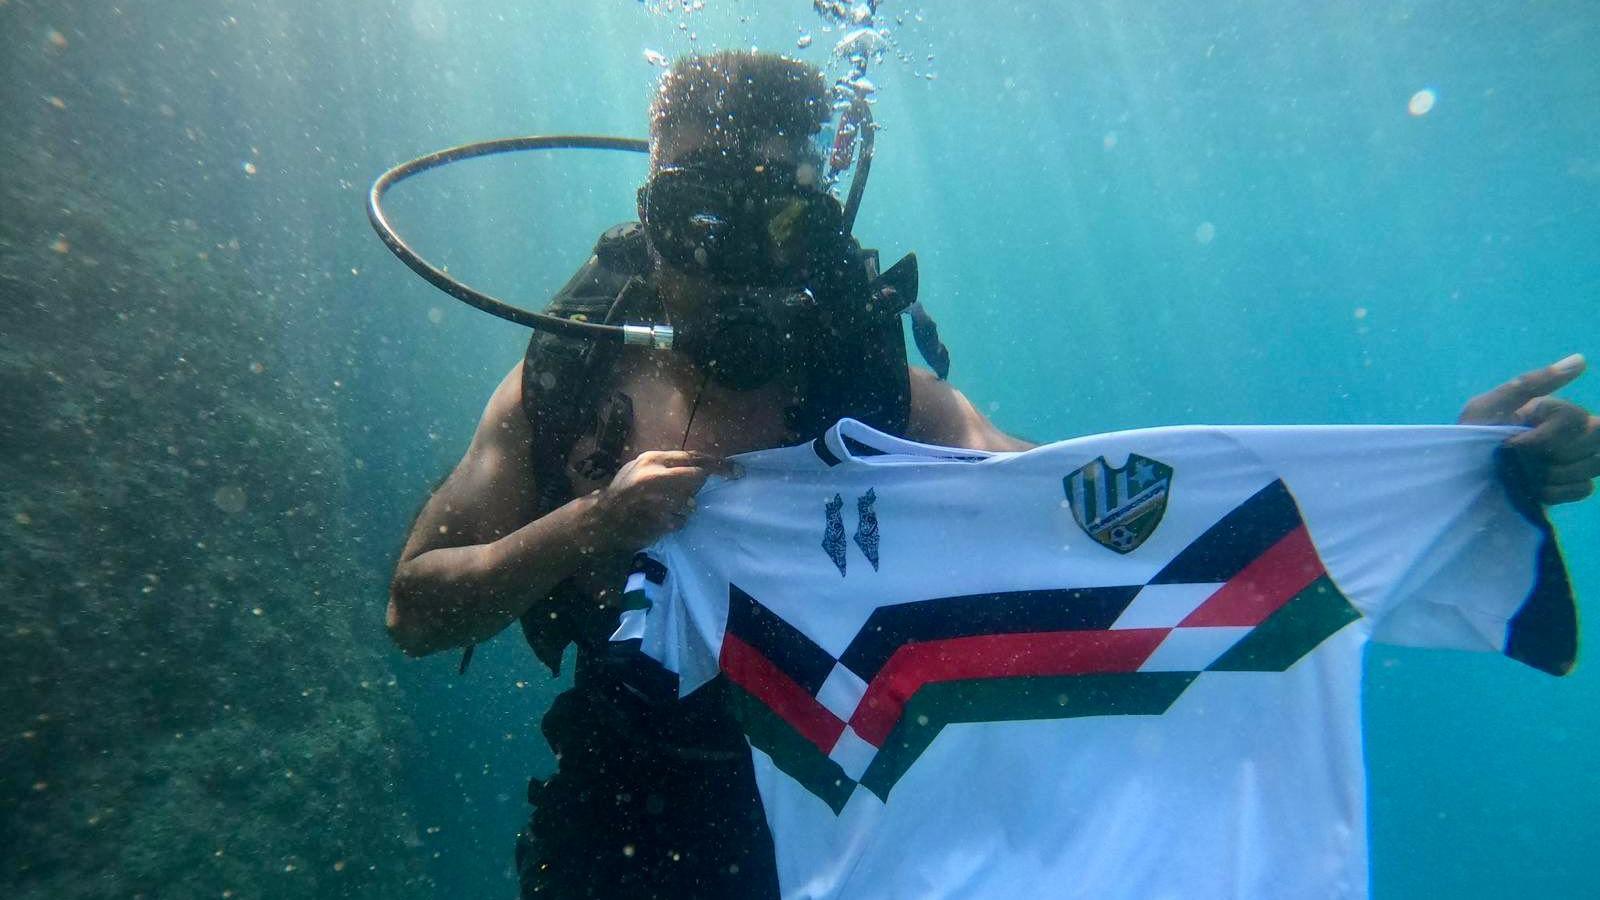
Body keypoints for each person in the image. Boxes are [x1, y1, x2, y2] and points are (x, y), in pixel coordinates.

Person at [385, 50, 1599, 900]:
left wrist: (1464, 472)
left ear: (825, 222)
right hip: (622, 822)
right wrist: (588, 528)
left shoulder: (882, 398)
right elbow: (416, 607)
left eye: (781, 226)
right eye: (698, 219)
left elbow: (1099, 525)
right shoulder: (565, 386)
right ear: (649, 217)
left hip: (865, 825)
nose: (735, 261)